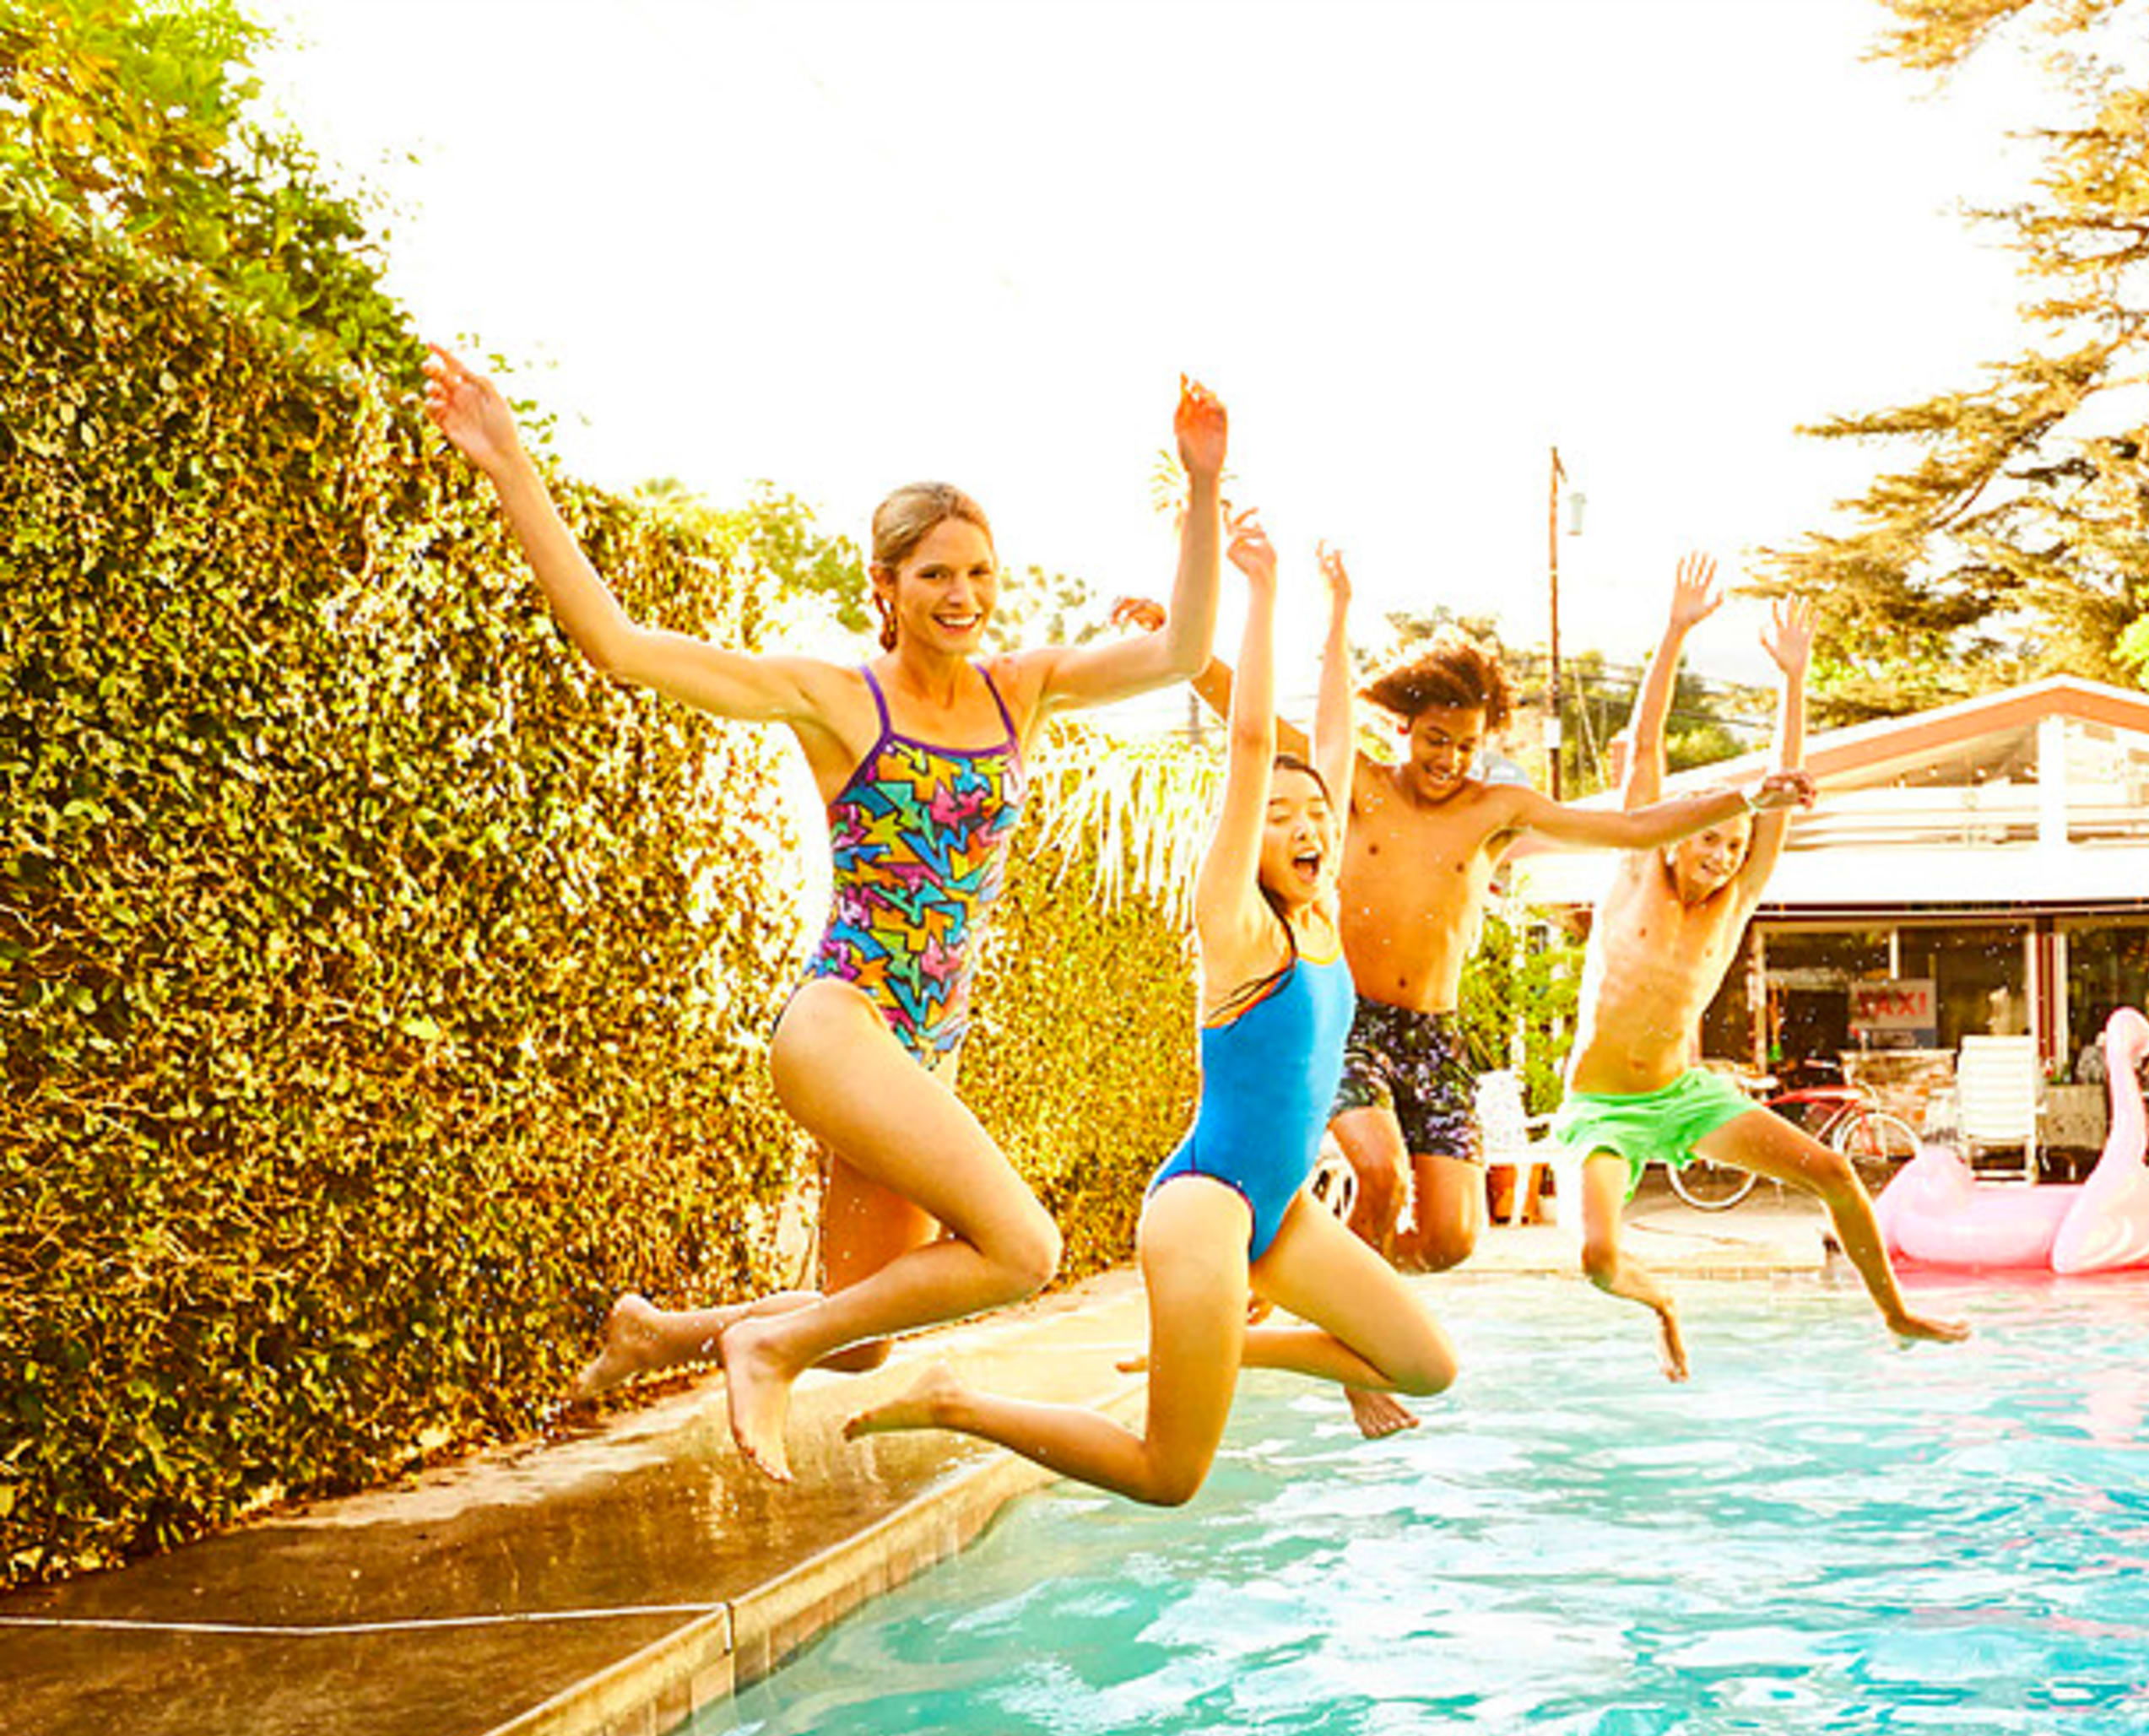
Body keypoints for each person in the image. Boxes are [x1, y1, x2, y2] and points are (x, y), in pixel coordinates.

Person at [420, 348, 1228, 1480]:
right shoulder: (837, 698)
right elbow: (622, 648)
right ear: (885, 584)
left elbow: (1182, 651)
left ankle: (662, 1332)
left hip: (923, 1048)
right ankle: (764, 1344)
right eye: (937, 574)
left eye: (981, 574)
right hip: (842, 1025)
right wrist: (510, 462)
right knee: (1025, 1248)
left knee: (867, 1331)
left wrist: (1197, 488)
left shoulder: (1022, 688)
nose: (964, 598)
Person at [843, 516, 1454, 1492]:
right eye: (1281, 818)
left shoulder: (1323, 907)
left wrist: (1340, 616)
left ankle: (1234, 1348)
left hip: (1279, 1210)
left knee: (1430, 1365)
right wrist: (1259, 600)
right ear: (1250, 838)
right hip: (1205, 1211)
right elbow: (1255, 740)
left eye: (1317, 817)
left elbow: (1330, 745)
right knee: (1169, 1475)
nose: (1306, 828)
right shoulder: (1238, 923)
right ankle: (958, 1403)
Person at [1316, 550, 1811, 1274]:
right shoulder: (1358, 786)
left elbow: (1636, 825)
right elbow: (1255, 723)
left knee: (1451, 1242)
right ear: (1400, 728)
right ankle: (1345, 1336)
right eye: (1435, 740)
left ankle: (1317, 1273)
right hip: (1349, 1017)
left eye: (1466, 744)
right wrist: (1185, 649)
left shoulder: (1497, 810)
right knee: (1383, 1175)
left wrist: (1748, 798)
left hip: (1435, 1033)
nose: (1450, 759)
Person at [1552, 562, 1970, 1379]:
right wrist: (1675, 630)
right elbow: (1643, 751)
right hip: (1601, 1107)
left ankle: (1896, 1313)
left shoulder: (1732, 908)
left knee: (1836, 1171)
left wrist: (1795, 680)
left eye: (1733, 848)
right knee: (1600, 1260)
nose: (1720, 854)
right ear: (1677, 834)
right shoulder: (1637, 867)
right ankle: (1663, 1303)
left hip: (1685, 1097)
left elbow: (1783, 797)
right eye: (1709, 837)